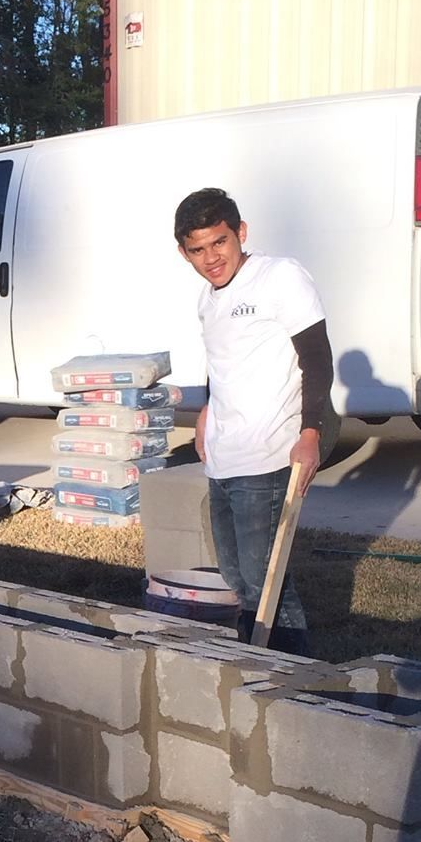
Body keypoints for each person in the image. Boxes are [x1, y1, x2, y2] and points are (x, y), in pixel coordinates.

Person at [173, 187, 335, 656]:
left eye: (219, 242)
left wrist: (311, 435)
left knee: (267, 581)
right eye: (197, 249)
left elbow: (317, 360)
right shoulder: (208, 299)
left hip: (267, 455)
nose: (211, 258)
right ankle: (255, 664)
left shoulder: (280, 277)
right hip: (224, 456)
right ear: (184, 252)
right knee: (237, 577)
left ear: (240, 233)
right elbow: (222, 360)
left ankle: (294, 677)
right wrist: (206, 409)